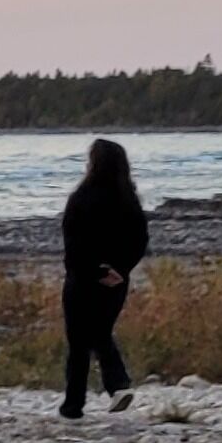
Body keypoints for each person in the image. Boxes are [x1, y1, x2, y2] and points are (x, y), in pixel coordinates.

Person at [59, 136, 148, 420]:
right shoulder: (129, 200)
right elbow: (140, 240)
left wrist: (94, 270)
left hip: (82, 278)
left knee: (79, 342)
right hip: (116, 281)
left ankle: (76, 404)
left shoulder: (81, 198)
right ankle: (117, 387)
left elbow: (72, 243)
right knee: (99, 333)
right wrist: (120, 270)